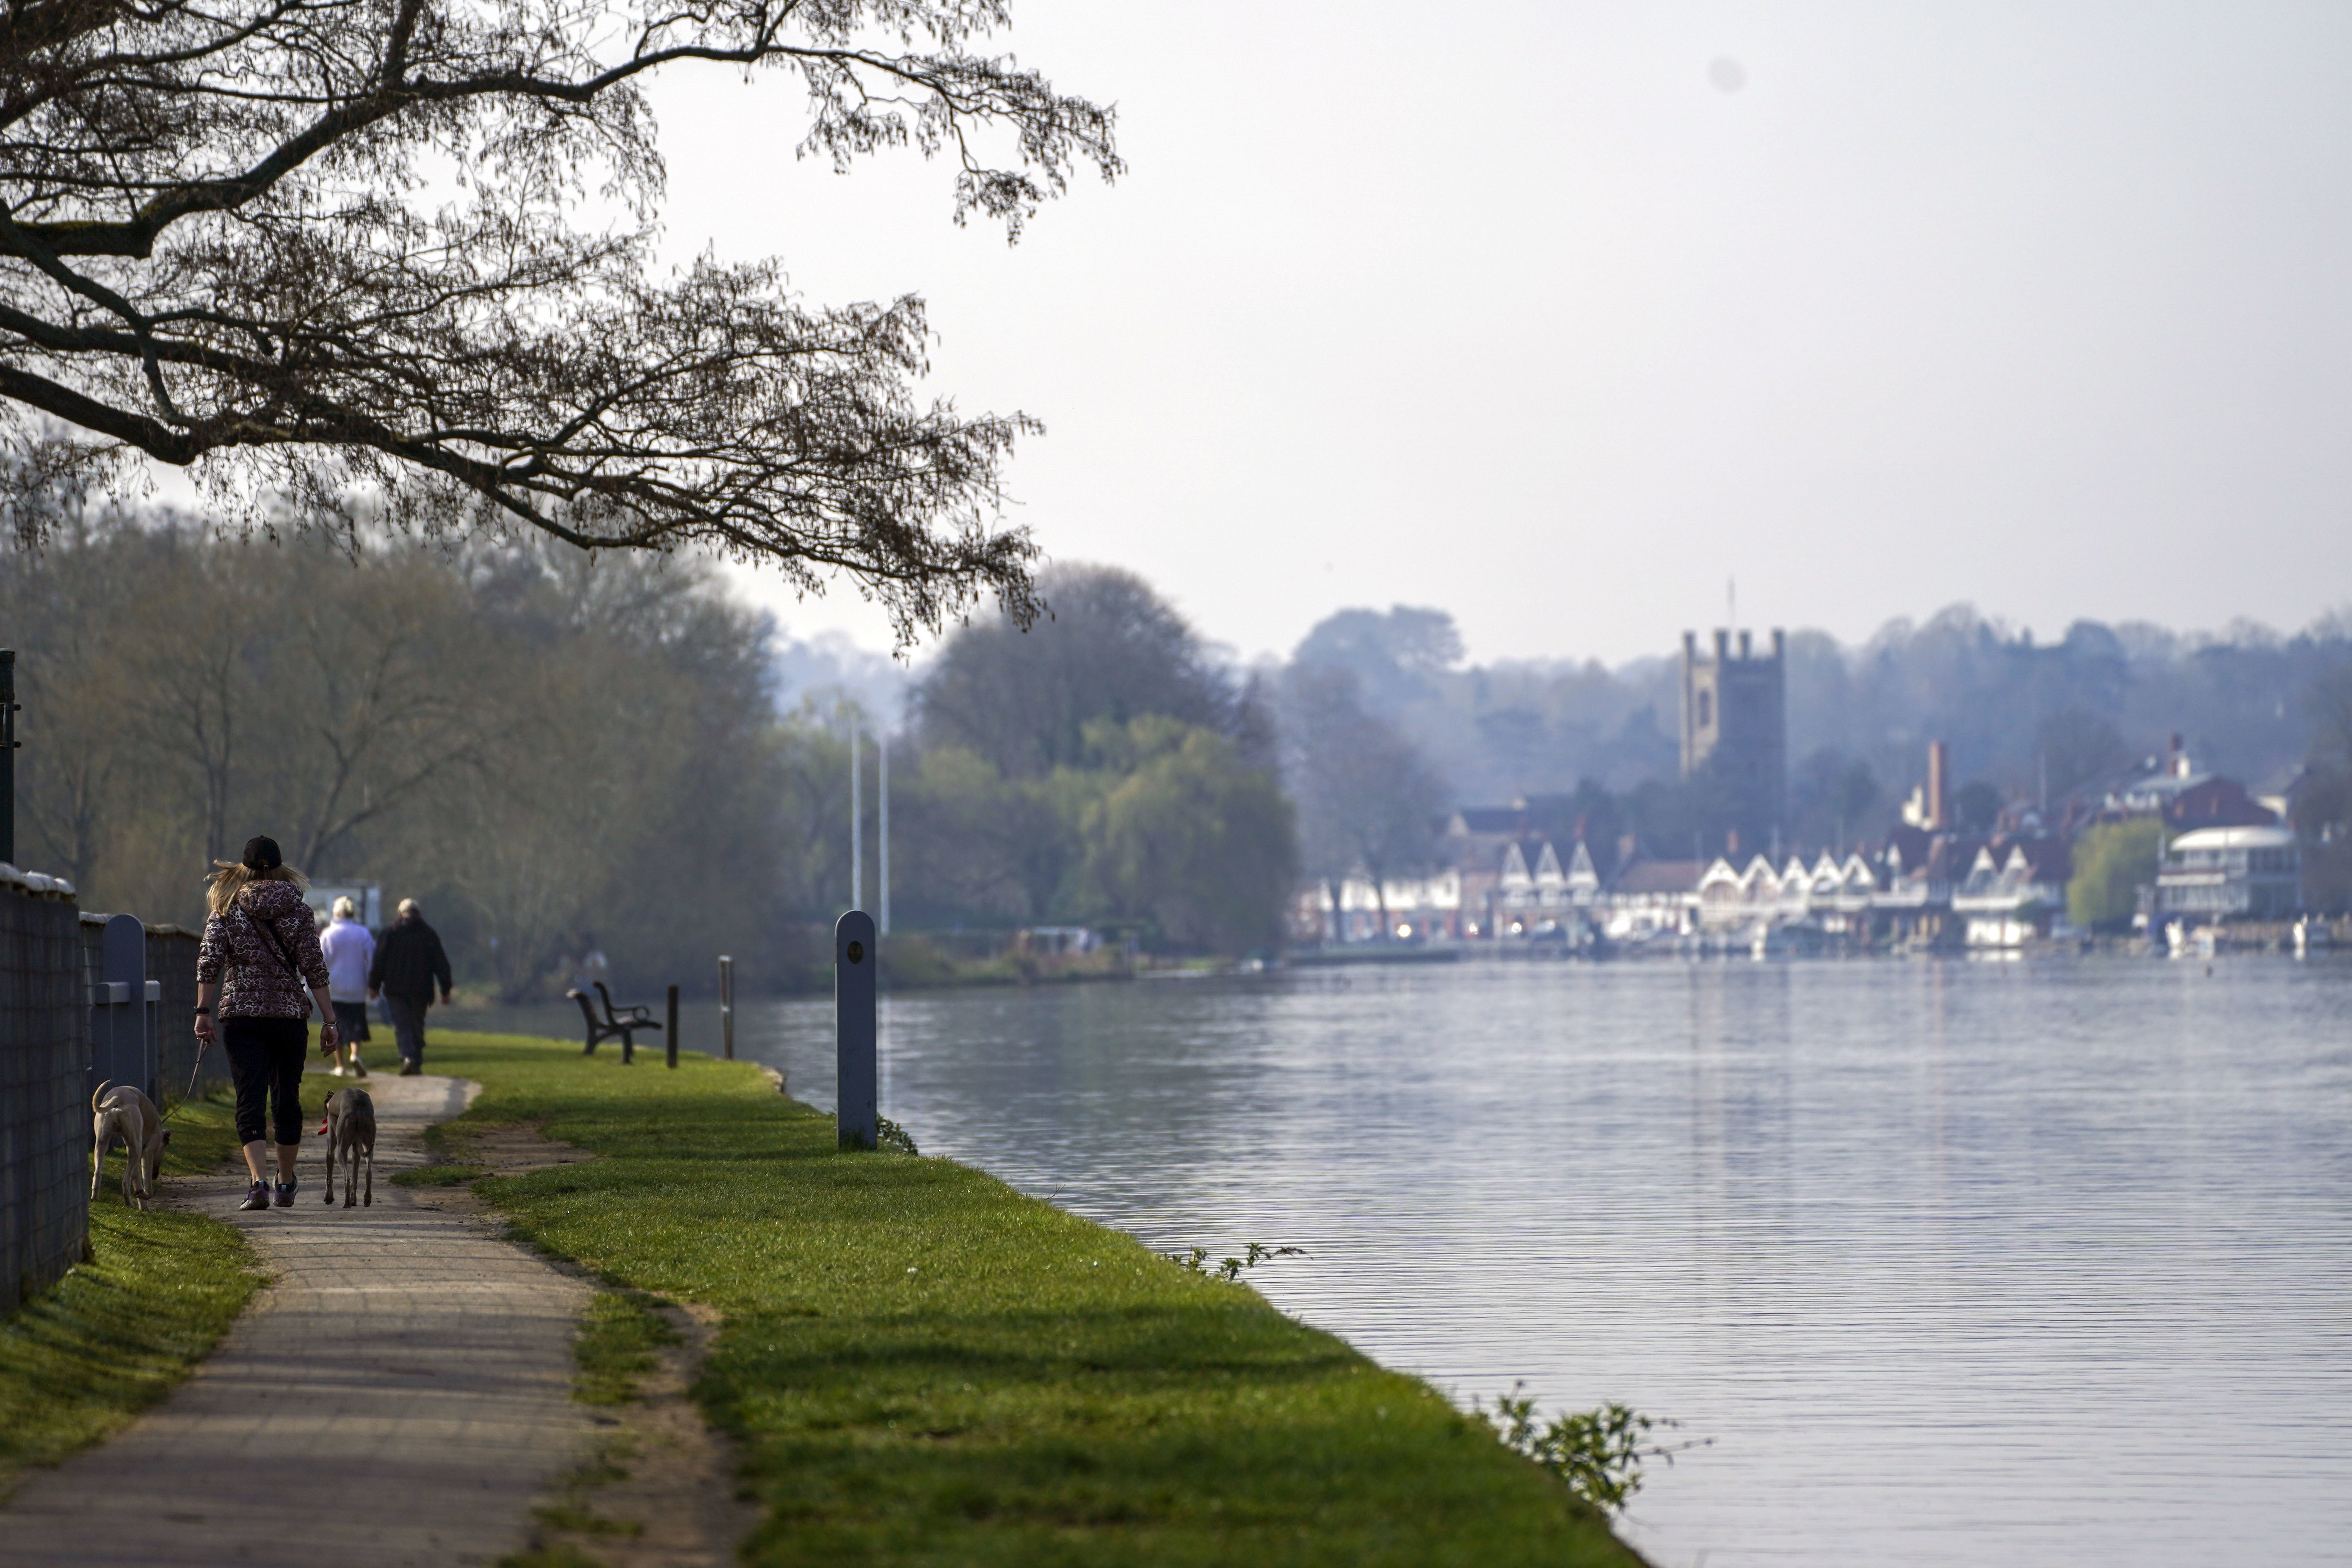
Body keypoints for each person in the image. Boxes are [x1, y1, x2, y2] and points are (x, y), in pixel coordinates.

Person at [195, 836, 339, 1212]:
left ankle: (258, 1183)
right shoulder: (299, 910)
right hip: (289, 1018)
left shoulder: (226, 907)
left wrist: (202, 1012)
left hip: (241, 1016)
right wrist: (330, 1020)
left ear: (243, 868)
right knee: (286, 1099)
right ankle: (286, 1183)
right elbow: (314, 968)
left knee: (250, 1098)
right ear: (279, 867)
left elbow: (210, 961)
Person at [369, 897, 452, 1075]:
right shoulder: (428, 934)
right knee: (417, 1024)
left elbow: (379, 961)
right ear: (419, 913)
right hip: (421, 990)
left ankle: (408, 1056)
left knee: (403, 1024)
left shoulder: (390, 932)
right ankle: (416, 1060)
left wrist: (374, 985)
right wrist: (446, 989)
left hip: (395, 989)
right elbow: (441, 964)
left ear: (401, 913)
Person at [319, 895, 375, 1076]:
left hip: (334, 987)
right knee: (357, 1022)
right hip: (357, 986)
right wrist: (373, 984)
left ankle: (340, 1065)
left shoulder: (328, 934)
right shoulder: (363, 933)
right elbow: (372, 961)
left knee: (337, 1024)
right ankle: (355, 1055)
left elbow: (321, 961)